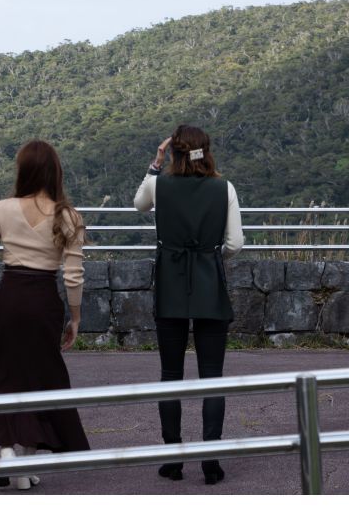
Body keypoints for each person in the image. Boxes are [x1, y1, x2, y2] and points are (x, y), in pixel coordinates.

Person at [0, 139, 90, 490]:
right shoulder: (68, 216)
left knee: (8, 373)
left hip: (10, 296)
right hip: (44, 301)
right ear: (55, 172)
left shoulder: (1, 208)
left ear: (22, 171)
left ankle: (8, 450)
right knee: (43, 374)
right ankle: (27, 457)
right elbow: (73, 275)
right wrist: (76, 317)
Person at [134, 124, 244, 485]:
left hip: (171, 285)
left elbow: (139, 205)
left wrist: (155, 163)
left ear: (175, 152)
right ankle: (211, 460)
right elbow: (235, 244)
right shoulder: (223, 188)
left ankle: (173, 459)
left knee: (170, 376)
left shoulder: (158, 185)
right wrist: (211, 258)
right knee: (212, 377)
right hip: (210, 285)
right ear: (206, 152)